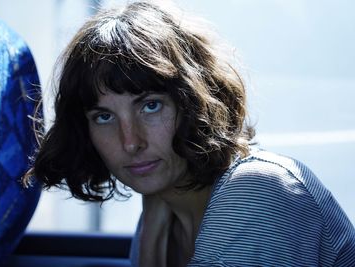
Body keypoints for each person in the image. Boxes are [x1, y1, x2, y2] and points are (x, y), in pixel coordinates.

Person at [24, 1, 355, 266]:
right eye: (104, 116)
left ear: (195, 102)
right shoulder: (162, 206)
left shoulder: (257, 190)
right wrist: (152, 230)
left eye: (150, 106)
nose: (131, 142)